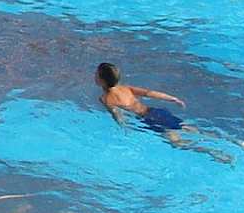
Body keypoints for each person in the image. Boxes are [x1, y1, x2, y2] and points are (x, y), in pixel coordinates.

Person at [96, 63, 236, 162]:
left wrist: (124, 128)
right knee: (194, 130)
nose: (94, 76)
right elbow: (150, 93)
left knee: (177, 143)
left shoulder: (105, 98)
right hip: (158, 112)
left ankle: (215, 153)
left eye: (96, 74)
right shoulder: (126, 88)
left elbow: (116, 114)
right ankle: (236, 142)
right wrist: (173, 98)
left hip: (150, 119)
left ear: (101, 80)